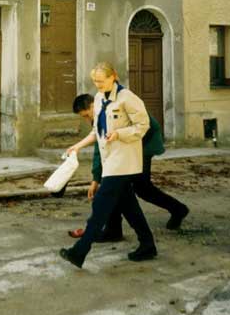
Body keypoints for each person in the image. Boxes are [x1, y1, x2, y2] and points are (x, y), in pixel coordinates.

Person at [59, 62, 157, 268]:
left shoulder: (128, 98)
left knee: (100, 206)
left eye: (101, 81)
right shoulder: (98, 98)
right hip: (110, 161)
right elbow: (97, 132)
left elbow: (143, 125)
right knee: (129, 206)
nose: (98, 84)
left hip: (124, 160)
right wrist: (76, 147)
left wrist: (120, 133)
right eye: (95, 81)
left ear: (113, 77)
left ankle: (79, 252)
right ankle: (148, 245)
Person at [69, 94, 189, 239]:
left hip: (145, 142)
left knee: (137, 187)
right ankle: (115, 230)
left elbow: (99, 150)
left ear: (92, 105)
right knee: (121, 185)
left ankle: (175, 212)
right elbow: (100, 147)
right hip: (132, 144)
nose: (87, 119)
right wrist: (96, 178)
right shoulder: (100, 112)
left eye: (86, 115)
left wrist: (96, 179)